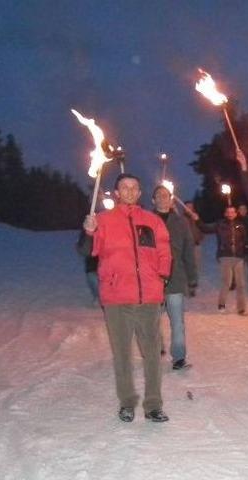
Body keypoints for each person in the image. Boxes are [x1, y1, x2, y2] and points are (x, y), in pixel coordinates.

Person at [81, 173, 172, 423]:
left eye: (134, 187)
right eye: (124, 187)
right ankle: (127, 402)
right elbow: (88, 251)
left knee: (152, 353)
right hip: (117, 298)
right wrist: (89, 232)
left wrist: (161, 276)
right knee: (121, 353)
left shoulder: (152, 221)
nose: (130, 191)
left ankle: (153, 404)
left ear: (140, 193)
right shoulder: (103, 220)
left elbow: (164, 251)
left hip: (148, 299)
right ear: (117, 193)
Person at [152, 185, 198, 370]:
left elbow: (188, 250)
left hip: (175, 278)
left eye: (166, 195)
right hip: (152, 279)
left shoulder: (181, 222)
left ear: (171, 200)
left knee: (177, 321)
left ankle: (179, 356)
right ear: (153, 200)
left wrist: (192, 277)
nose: (163, 198)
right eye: (159, 196)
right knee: (152, 319)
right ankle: (156, 348)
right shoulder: (146, 220)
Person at [197, 205, 248, 315]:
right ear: (225, 214)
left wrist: (244, 249)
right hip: (225, 256)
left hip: (238, 257)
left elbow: (245, 239)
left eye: (232, 212)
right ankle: (221, 305)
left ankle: (241, 308)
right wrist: (197, 220)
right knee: (227, 282)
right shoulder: (220, 224)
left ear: (235, 213)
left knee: (241, 284)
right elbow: (205, 228)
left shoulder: (240, 225)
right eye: (228, 212)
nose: (230, 214)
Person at [76, 230, 100, 306]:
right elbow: (81, 247)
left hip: (105, 259)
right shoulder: (87, 230)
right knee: (93, 278)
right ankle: (98, 297)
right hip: (91, 261)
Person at [184, 200, 205, 288]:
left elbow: (202, 228)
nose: (189, 208)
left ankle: (193, 282)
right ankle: (186, 283)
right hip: (185, 247)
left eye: (191, 206)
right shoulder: (181, 218)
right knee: (186, 265)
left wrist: (200, 238)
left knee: (196, 265)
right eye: (187, 206)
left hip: (196, 245)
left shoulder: (197, 217)